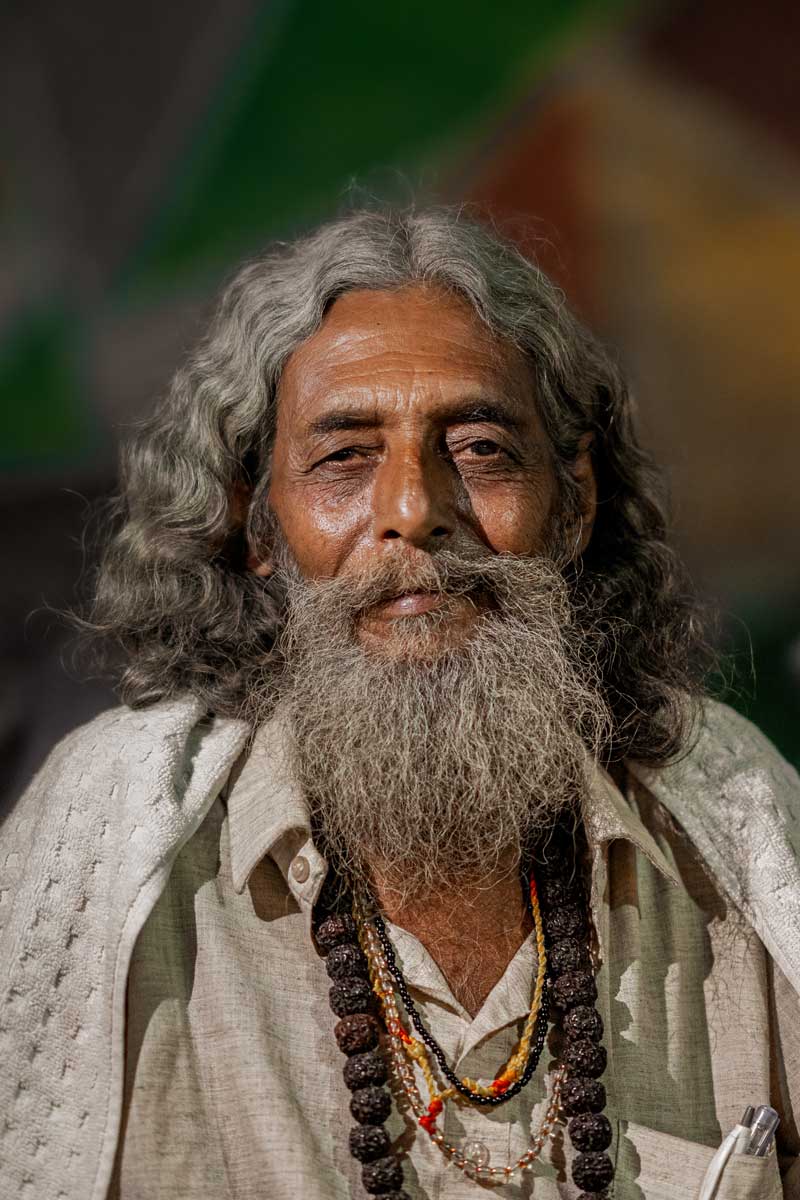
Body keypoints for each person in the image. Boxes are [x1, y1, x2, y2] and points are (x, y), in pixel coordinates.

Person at [2, 207, 799, 1200]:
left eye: (477, 446)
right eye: (343, 456)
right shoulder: (108, 840)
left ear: (575, 502)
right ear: (257, 524)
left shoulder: (733, 821)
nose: (414, 507)